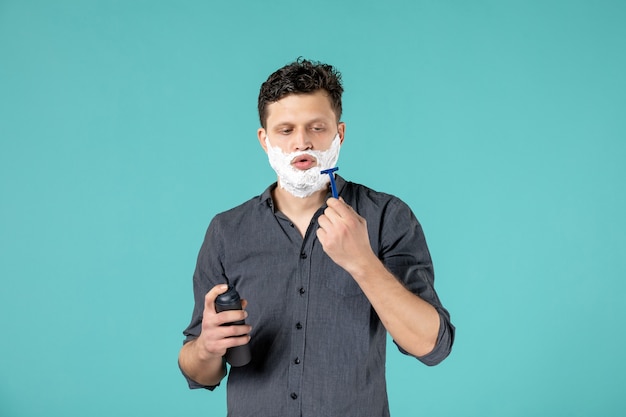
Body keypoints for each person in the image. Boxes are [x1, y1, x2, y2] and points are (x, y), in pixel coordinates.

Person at [178, 58, 454, 417]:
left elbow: (431, 345)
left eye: (317, 127)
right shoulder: (227, 231)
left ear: (339, 134)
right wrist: (206, 348)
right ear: (264, 140)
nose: (302, 142)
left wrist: (361, 261)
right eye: (286, 130)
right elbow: (199, 372)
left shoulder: (387, 217)